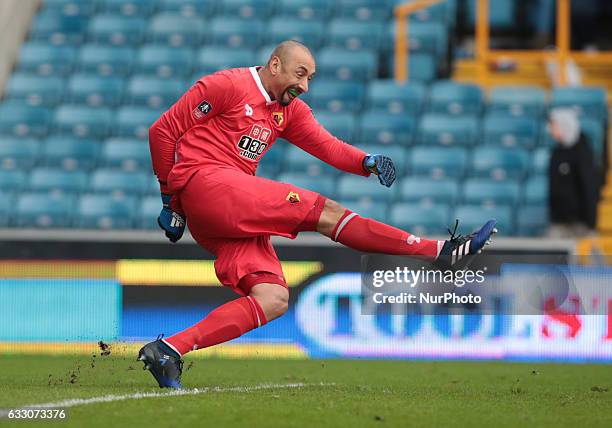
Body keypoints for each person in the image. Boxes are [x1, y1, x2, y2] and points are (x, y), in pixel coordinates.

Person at [139, 40, 497, 388]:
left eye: (310, 77)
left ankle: (168, 350)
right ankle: (438, 251)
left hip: (225, 211)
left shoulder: (287, 110)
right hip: (207, 185)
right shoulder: (226, 85)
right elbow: (163, 131)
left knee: (274, 299)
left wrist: (365, 161)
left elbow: (325, 145)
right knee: (326, 212)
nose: (305, 86)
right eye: (300, 74)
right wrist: (169, 200)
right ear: (275, 64)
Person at [547, 108, 598, 238]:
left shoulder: (583, 152)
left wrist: (591, 223)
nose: (550, 130)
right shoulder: (556, 153)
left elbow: (589, 187)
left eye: (554, 125)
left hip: (580, 222)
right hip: (559, 221)